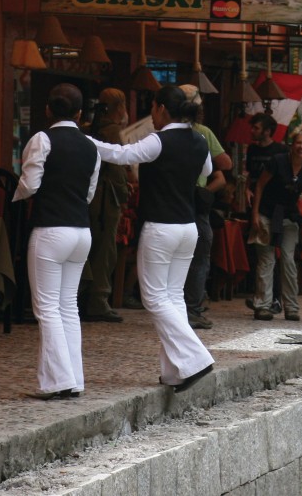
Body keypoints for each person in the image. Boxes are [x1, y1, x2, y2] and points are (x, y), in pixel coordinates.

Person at [90, 85, 215, 393]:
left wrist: (84, 141)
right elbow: (208, 169)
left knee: (155, 298)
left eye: (153, 110)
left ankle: (196, 357)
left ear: (160, 109)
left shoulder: (159, 140)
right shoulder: (199, 139)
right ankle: (175, 372)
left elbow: (121, 155)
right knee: (173, 298)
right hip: (188, 227)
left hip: (161, 226)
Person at [15, 83, 101, 400]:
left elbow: (29, 185)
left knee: (48, 308)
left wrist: (18, 194)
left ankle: (57, 381)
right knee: (68, 307)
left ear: (49, 110)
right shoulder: (91, 146)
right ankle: (74, 379)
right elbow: (89, 193)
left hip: (50, 228)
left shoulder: (43, 139)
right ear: (80, 114)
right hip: (81, 231)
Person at [250, 125, 302, 323]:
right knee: (267, 259)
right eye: (299, 142)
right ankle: (262, 305)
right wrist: (254, 214)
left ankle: (291, 307)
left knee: (288, 259)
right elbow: (260, 185)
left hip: (289, 215)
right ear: (292, 144)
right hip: (266, 213)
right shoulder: (277, 161)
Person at [180, 85, 231, 330]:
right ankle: (192, 309)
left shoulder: (160, 133)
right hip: (194, 200)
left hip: (168, 200)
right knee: (199, 255)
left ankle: (174, 308)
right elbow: (225, 163)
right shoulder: (202, 133)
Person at [80, 88, 129, 323]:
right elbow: (118, 166)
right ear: (119, 107)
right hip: (106, 200)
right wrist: (124, 193)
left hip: (87, 197)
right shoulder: (112, 132)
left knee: (89, 249)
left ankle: (82, 296)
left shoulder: (89, 130)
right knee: (104, 250)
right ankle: (98, 300)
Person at [246, 114, 287, 316]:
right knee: (259, 253)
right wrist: (247, 190)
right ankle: (262, 296)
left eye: (256, 128)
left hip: (274, 208)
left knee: (273, 254)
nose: (252, 131)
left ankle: (274, 299)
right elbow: (250, 176)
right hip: (254, 205)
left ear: (268, 131)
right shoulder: (252, 150)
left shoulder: (280, 151)